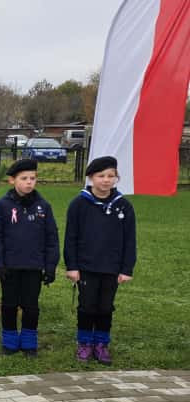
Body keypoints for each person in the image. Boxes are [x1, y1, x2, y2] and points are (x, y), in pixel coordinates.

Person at [64, 156, 136, 365]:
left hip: (112, 268)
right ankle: (85, 343)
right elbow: (71, 238)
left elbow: (130, 240)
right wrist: (72, 266)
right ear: (91, 178)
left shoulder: (124, 206)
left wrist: (126, 268)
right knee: (87, 306)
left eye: (111, 176)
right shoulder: (79, 204)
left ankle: (101, 344)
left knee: (105, 307)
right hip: (86, 267)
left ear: (116, 178)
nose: (106, 180)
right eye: (101, 176)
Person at [0, 159, 59, 357]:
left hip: (33, 266)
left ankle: (29, 343)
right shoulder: (2, 206)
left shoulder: (43, 206)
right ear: (12, 180)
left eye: (33, 178)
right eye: (24, 178)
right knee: (9, 305)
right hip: (10, 266)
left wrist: (50, 266)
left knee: (31, 306)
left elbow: (51, 237)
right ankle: (9, 342)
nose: (29, 182)